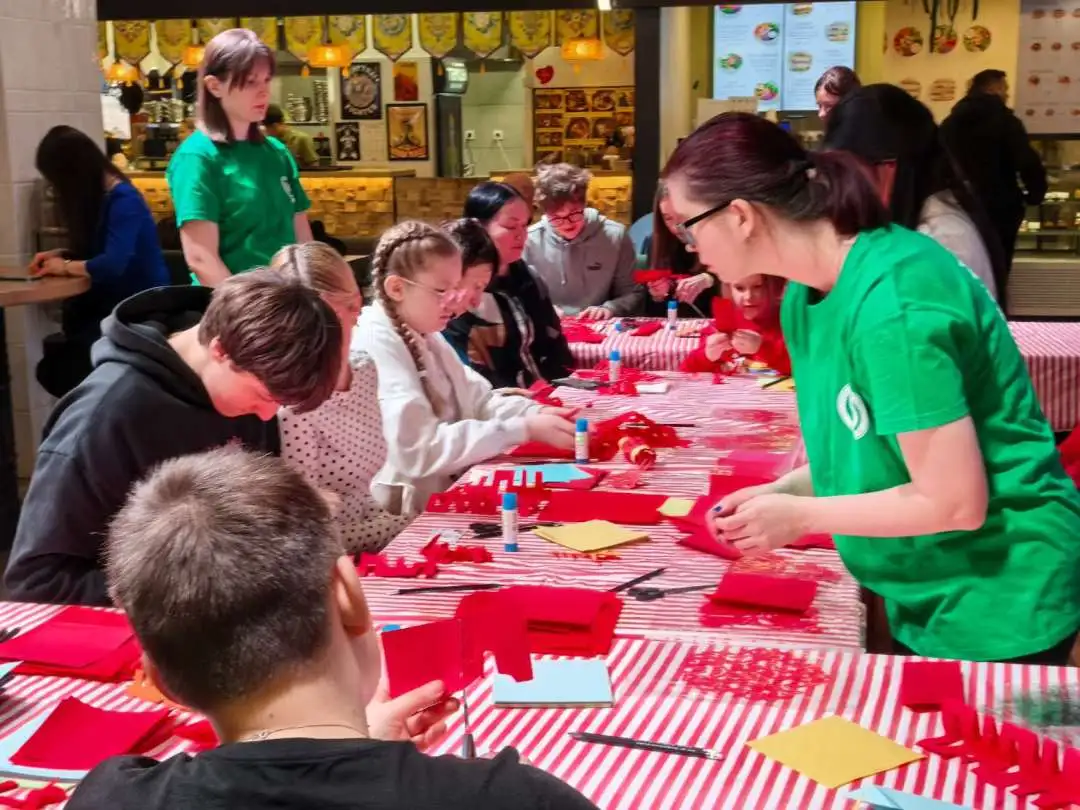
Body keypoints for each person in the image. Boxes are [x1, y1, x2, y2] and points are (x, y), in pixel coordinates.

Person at [663, 111, 1080, 664]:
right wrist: (786, 491)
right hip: (927, 580)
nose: (691, 247)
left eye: (690, 225)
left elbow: (954, 502)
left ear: (740, 215)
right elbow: (873, 451)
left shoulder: (894, 305)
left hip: (998, 587)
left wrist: (802, 517)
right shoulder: (804, 298)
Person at [67, 447, 599, 810]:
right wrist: (353, 753)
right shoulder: (508, 800)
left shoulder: (111, 799)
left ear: (161, 679)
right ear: (347, 591)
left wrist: (355, 748)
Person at [3, 267, 343, 606]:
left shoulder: (250, 391)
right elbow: (36, 580)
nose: (268, 416)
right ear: (220, 350)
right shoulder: (105, 417)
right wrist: (194, 589)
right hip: (132, 628)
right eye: (262, 395)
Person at [351, 221, 575, 517]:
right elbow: (419, 451)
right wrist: (522, 429)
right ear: (396, 288)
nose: (456, 301)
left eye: (458, 287)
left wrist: (531, 413)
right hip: (406, 515)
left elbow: (478, 399)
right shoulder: (377, 342)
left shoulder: (424, 330)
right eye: (443, 290)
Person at [276, 243, 413, 553]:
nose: (358, 316)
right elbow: (307, 538)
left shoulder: (363, 368)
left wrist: (393, 523)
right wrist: (395, 525)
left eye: (356, 303)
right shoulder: (293, 405)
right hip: (330, 561)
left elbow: (362, 490)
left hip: (373, 533)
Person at [824, 83, 1005, 300]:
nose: (844, 190)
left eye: (848, 173)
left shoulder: (942, 240)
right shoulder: (915, 221)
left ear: (890, 168)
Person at [30, 126, 170, 398]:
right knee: (58, 362)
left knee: (58, 367)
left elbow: (112, 264)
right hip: (121, 310)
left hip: (138, 312)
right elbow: (103, 253)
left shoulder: (123, 200)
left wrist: (66, 266)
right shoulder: (108, 199)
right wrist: (62, 254)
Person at [167, 29, 313, 285]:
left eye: (266, 80)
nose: (264, 92)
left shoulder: (277, 152)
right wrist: (251, 310)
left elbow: (303, 241)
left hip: (290, 304)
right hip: (233, 309)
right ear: (214, 86)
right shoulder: (197, 157)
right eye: (250, 82)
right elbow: (201, 259)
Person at [444, 182, 574, 389]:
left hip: (546, 394)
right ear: (478, 227)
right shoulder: (460, 289)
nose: (521, 235)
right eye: (511, 226)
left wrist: (563, 387)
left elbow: (556, 346)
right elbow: (471, 374)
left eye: (525, 225)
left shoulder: (527, 278)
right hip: (502, 403)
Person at [941, 69, 1047, 292]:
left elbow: (939, 162)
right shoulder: (1006, 122)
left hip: (961, 204)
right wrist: (1035, 193)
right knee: (999, 261)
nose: (1007, 94)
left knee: (966, 259)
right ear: (992, 88)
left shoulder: (951, 123)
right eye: (1004, 89)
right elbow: (1026, 161)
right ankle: (996, 307)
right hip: (1001, 205)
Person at [523, 163, 642, 319]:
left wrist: (610, 309)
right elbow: (519, 295)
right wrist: (543, 309)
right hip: (551, 325)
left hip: (600, 325)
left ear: (585, 205)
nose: (567, 223)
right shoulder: (530, 240)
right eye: (557, 218)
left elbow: (632, 292)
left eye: (574, 214)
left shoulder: (615, 236)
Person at [680, 275, 790, 375]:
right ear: (729, 290)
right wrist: (707, 355)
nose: (748, 296)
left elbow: (800, 371)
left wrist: (763, 349)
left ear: (774, 288)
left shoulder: (786, 323)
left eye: (757, 287)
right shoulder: (725, 319)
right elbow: (686, 370)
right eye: (739, 288)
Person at [642, 183, 719, 318]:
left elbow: (744, 286)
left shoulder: (718, 237)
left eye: (681, 215)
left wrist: (708, 279)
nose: (677, 227)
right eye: (668, 218)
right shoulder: (655, 243)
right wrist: (659, 294)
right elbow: (651, 310)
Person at [263, 103, 319, 169]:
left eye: (266, 129)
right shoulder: (267, 141)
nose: (265, 132)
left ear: (275, 126)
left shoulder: (301, 139)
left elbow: (314, 166)